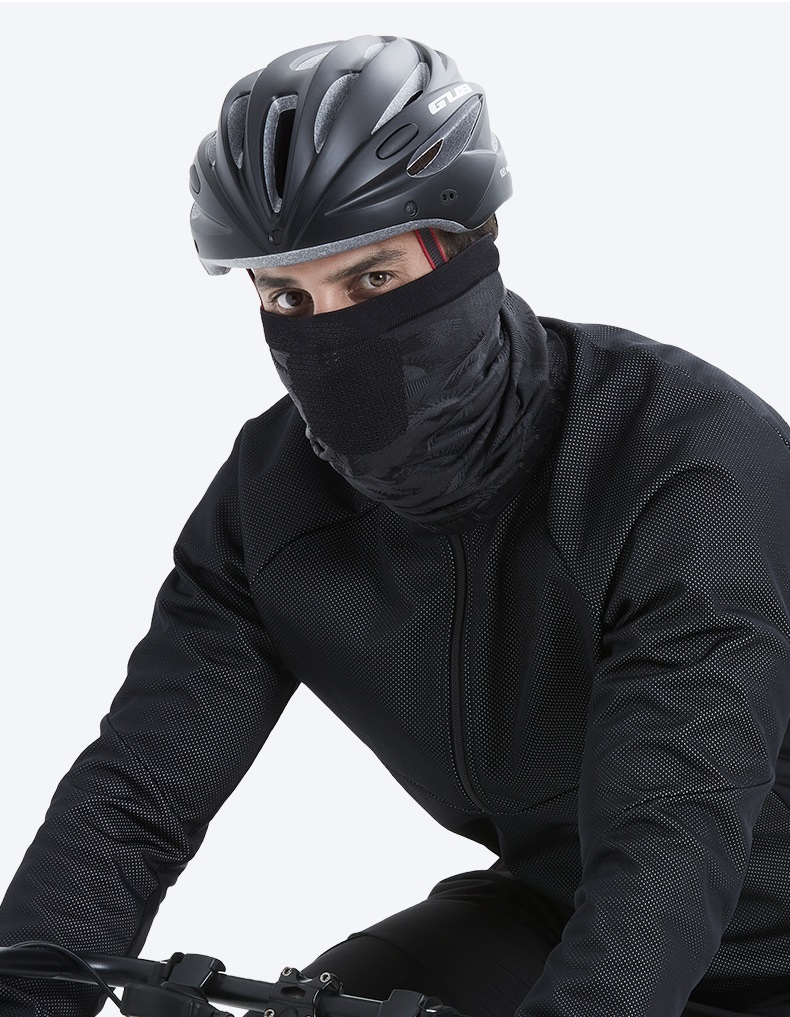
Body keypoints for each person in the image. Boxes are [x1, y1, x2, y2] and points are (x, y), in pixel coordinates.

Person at [1, 32, 790, 1017]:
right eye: (289, 297)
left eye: (372, 281)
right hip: (558, 910)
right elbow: (135, 793)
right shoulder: (272, 498)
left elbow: (673, 838)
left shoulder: (679, 464)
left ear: (469, 251)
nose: (330, 332)